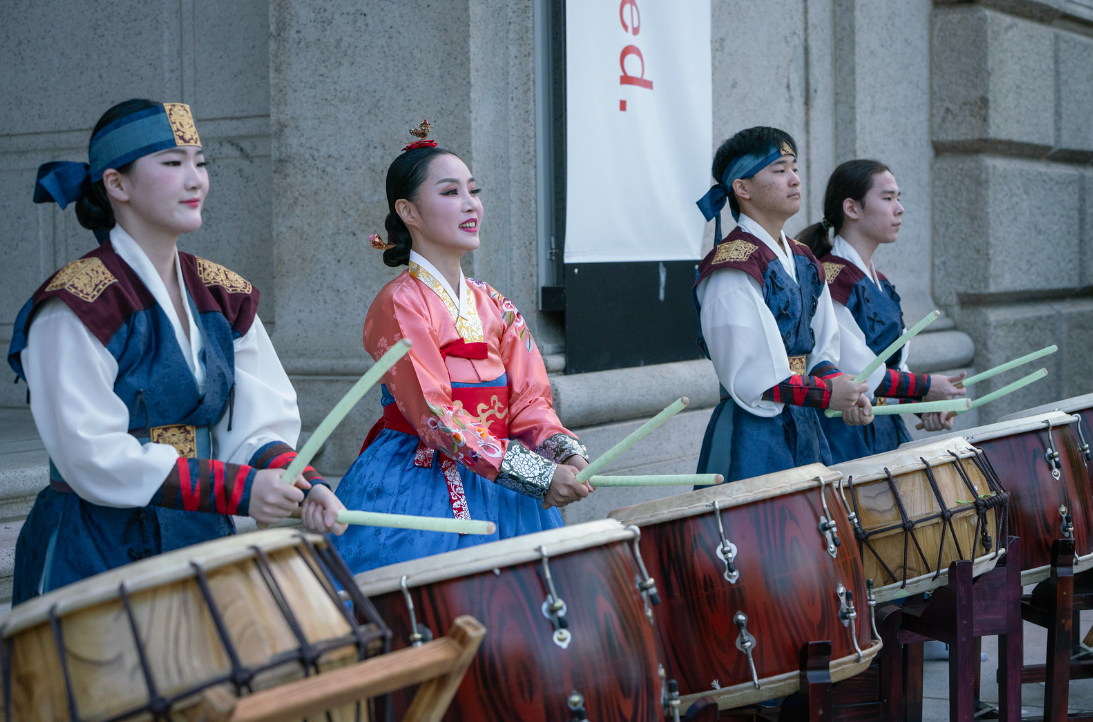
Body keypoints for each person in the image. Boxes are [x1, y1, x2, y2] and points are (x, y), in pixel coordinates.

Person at [7, 99, 346, 605]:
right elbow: (91, 454)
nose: (196, 180)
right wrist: (239, 491)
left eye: (200, 162)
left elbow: (254, 427)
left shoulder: (222, 294)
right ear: (116, 184)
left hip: (202, 533)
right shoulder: (76, 305)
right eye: (172, 163)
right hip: (97, 547)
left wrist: (302, 482)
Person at [332, 122, 590, 574]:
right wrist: (535, 476)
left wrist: (564, 453)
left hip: (507, 481)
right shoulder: (399, 303)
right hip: (421, 479)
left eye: (474, 191)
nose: (471, 204)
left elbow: (530, 399)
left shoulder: (496, 304)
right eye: (451, 193)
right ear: (408, 211)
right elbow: (435, 415)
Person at [692, 126, 872, 483]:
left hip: (806, 423)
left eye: (794, 168)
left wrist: (844, 389)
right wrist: (827, 394)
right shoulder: (732, 266)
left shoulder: (805, 260)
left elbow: (821, 352)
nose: (795, 180)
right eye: (779, 170)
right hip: (754, 436)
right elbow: (754, 381)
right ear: (742, 188)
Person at [798, 160, 966, 463]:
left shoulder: (881, 283)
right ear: (852, 208)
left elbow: (895, 366)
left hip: (885, 429)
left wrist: (921, 404)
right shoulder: (832, 278)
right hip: (845, 436)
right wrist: (926, 387)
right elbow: (861, 374)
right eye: (888, 198)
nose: (899, 209)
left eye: (898, 198)